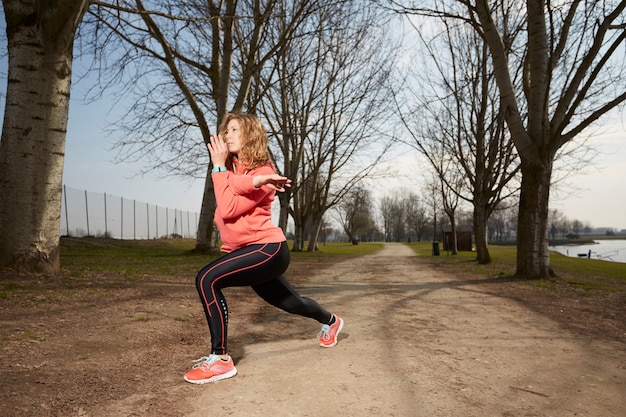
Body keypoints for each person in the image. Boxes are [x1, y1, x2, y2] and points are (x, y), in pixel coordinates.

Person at [184, 113, 344, 384]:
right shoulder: (233, 171)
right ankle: (331, 321)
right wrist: (226, 171)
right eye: (226, 130)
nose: (227, 135)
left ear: (250, 135)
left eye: (234, 130)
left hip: (268, 249)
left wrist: (228, 172)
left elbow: (228, 207)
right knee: (292, 303)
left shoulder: (265, 172)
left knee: (206, 279)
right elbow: (232, 188)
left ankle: (220, 359)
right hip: (250, 252)